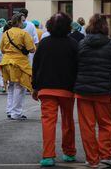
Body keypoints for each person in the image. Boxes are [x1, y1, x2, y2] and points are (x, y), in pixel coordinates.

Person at [74, 14, 111, 168]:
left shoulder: (81, 44)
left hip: (83, 90)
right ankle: (106, 155)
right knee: (105, 124)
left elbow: (75, 65)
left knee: (87, 125)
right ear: (105, 27)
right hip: (104, 91)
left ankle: (92, 158)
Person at [32, 13, 78, 167]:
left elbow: (36, 66)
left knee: (48, 122)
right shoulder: (73, 44)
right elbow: (78, 67)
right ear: (68, 26)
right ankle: (69, 152)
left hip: (46, 88)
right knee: (68, 121)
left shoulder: (44, 43)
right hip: (67, 89)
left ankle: (48, 155)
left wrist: (34, 87)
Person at [0, 13, 35, 120]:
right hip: (19, 63)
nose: (24, 23)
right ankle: (16, 112)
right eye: (23, 21)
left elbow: (2, 49)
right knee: (20, 87)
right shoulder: (24, 33)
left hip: (6, 63)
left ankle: (10, 110)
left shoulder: (6, 33)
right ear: (18, 21)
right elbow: (32, 49)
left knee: (11, 87)